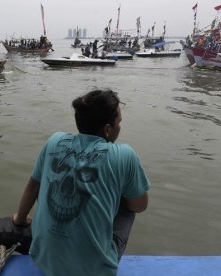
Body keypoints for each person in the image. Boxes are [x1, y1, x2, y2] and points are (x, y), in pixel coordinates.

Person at [13, 89, 150, 276]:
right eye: (119, 122)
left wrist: (20, 220)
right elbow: (140, 206)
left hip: (42, 259)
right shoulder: (124, 155)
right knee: (128, 208)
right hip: (93, 271)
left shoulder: (54, 141)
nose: (120, 126)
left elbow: (33, 185)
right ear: (108, 129)